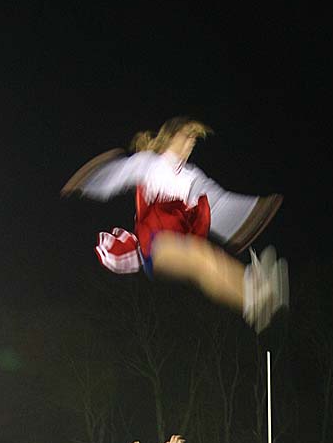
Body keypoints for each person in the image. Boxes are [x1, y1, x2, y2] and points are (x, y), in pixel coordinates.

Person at [61, 116, 288, 332]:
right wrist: (89, 180)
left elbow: (217, 202)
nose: (191, 143)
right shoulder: (149, 163)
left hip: (178, 240)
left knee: (210, 259)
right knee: (199, 255)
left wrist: (253, 212)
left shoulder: (192, 175)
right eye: (187, 136)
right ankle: (250, 292)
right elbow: (119, 175)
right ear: (171, 136)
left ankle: (255, 300)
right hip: (154, 243)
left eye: (194, 140)